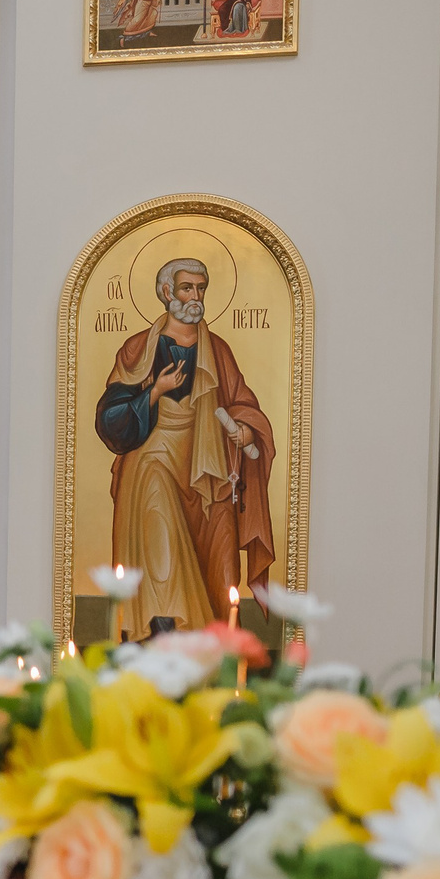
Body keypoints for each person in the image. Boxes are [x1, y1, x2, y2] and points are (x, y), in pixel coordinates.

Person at [93, 257, 276, 636]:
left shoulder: (219, 351)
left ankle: (214, 652)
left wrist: (245, 430)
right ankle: (163, 637)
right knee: (161, 540)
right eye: (187, 288)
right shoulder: (138, 349)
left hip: (206, 465)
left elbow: (241, 401)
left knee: (220, 558)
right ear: (166, 292)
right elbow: (110, 419)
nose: (195, 297)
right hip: (153, 458)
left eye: (201, 288)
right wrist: (155, 391)